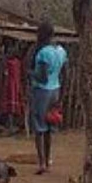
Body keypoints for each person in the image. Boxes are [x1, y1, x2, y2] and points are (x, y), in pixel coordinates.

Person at [30, 20, 68, 174]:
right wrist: (61, 96)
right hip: (55, 90)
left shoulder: (43, 53)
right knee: (49, 126)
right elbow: (65, 73)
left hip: (42, 92)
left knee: (39, 128)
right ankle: (48, 159)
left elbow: (42, 77)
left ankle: (42, 163)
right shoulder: (61, 51)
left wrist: (30, 72)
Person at [0, 50, 26, 135]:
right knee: (14, 106)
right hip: (16, 85)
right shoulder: (18, 63)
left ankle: (11, 126)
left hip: (10, 86)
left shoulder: (9, 63)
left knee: (10, 107)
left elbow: (6, 74)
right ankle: (13, 125)